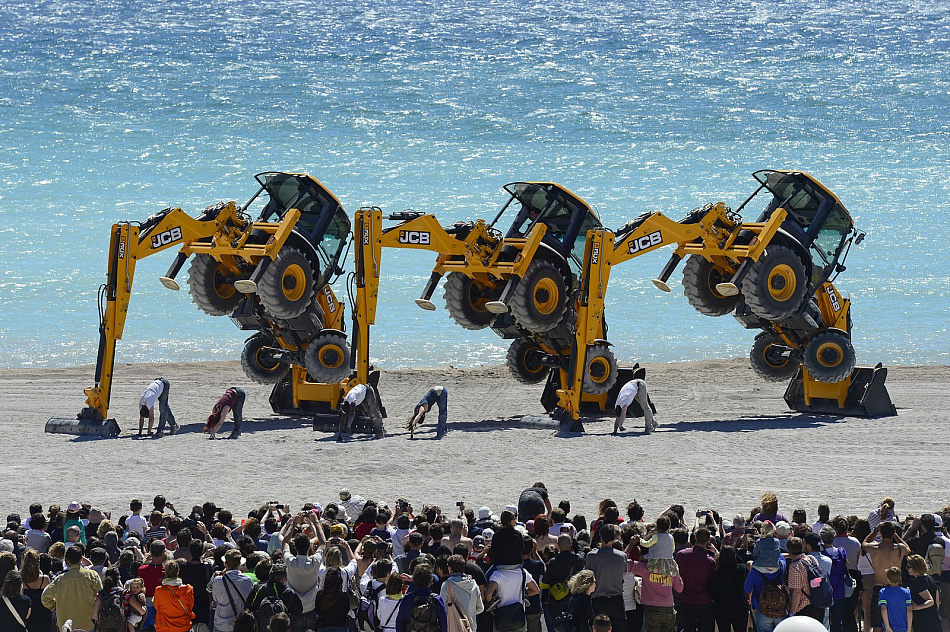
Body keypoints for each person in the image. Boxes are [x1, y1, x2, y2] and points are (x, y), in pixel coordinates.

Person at [41, 545, 103, 631]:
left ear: (66, 561)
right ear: (81, 559)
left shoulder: (60, 579)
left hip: (64, 622)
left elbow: (45, 598)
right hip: (87, 622)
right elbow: (101, 594)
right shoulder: (92, 576)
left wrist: (56, 605)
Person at [866, 521, 911, 632]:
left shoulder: (874, 548)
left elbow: (865, 542)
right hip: (896, 587)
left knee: (877, 623)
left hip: (879, 586)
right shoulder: (900, 548)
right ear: (894, 533)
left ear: (880, 533)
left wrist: (875, 530)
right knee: (896, 620)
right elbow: (908, 548)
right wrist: (896, 535)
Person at [585, 524, 627, 631]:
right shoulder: (622, 556)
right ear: (614, 538)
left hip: (598, 600)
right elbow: (623, 574)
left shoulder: (591, 556)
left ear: (600, 537)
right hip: (616, 600)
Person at [675, 527, 716, 632]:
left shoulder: (681, 555)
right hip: (704, 601)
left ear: (695, 537)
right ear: (708, 541)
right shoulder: (710, 561)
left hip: (686, 600)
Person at [210, 549, 255, 632]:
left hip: (221, 624)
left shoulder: (217, 580)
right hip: (240, 624)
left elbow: (215, 599)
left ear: (225, 564)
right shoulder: (247, 580)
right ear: (239, 564)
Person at [396, 564, 447, 632]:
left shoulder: (407, 599)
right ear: (431, 580)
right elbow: (443, 626)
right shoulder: (437, 600)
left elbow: (400, 623)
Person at [708, 546, 748, 632]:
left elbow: (712, 593)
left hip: (722, 610)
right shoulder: (740, 569)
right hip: (739, 608)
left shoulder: (717, 574)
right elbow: (742, 563)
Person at [440, 555, 483, 631]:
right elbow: (480, 608)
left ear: (450, 568)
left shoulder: (447, 585)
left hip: (453, 627)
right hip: (470, 628)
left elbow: (442, 609)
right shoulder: (474, 585)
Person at [153, 559, 195, 632]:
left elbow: (157, 606)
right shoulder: (188, 589)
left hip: (164, 628)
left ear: (165, 573)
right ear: (178, 572)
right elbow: (190, 607)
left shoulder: (159, 590)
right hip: (183, 627)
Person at [21, 548, 53, 632]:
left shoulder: (21, 579)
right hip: (43, 614)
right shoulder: (44, 579)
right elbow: (49, 597)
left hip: (27, 613)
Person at [905, 555, 939, 632]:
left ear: (915, 567)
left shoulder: (918, 583)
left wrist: (916, 607)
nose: (907, 569)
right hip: (934, 618)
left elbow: (931, 601)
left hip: (923, 620)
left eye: (909, 567)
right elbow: (937, 598)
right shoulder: (929, 578)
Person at [313, 567, 351, 632]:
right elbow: (346, 611)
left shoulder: (320, 595)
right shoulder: (344, 596)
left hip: (324, 627)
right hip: (340, 626)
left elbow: (318, 611)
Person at [878, 567, 912, 632]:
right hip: (904, 627)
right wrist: (909, 628)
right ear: (900, 578)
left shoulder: (883, 592)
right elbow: (909, 610)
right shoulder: (906, 592)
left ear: (888, 579)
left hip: (890, 627)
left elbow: (883, 609)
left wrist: (887, 626)